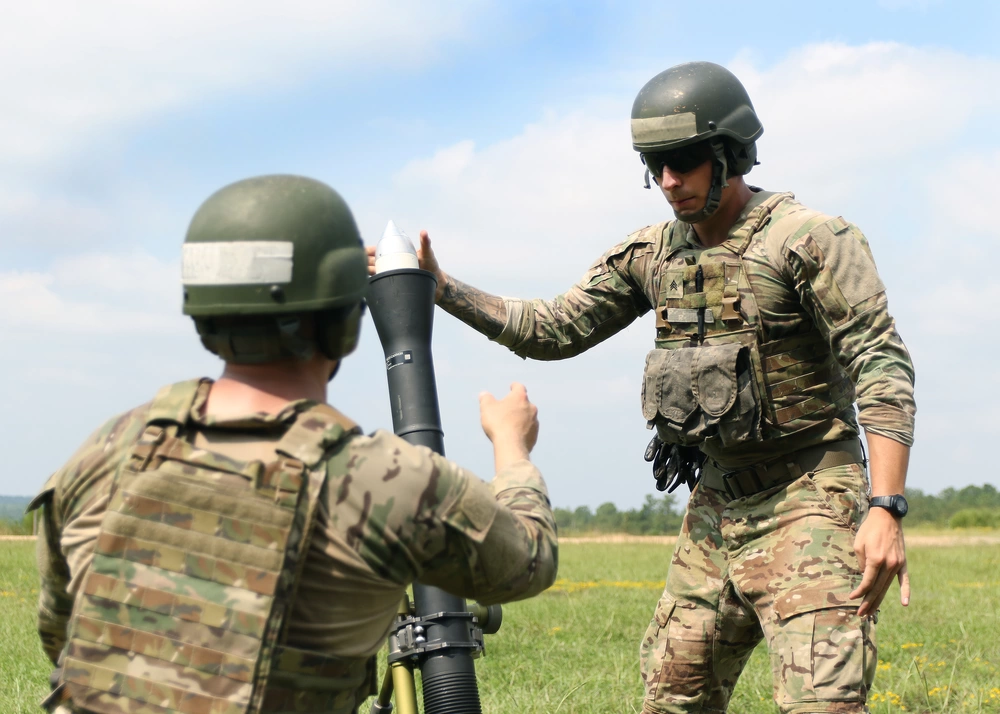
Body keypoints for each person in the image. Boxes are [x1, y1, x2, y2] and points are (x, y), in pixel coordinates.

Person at [368, 62, 916, 713]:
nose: (668, 182)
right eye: (655, 165)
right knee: (672, 695)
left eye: (683, 162)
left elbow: (879, 365)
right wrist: (443, 285)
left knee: (823, 702)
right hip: (716, 506)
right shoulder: (651, 255)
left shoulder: (810, 241)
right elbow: (553, 327)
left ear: (729, 152)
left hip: (810, 499)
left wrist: (885, 506)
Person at [30, 175, 558, 714]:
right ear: (347, 321)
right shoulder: (384, 480)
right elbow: (529, 561)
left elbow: (62, 631)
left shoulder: (108, 450)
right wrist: (512, 446)